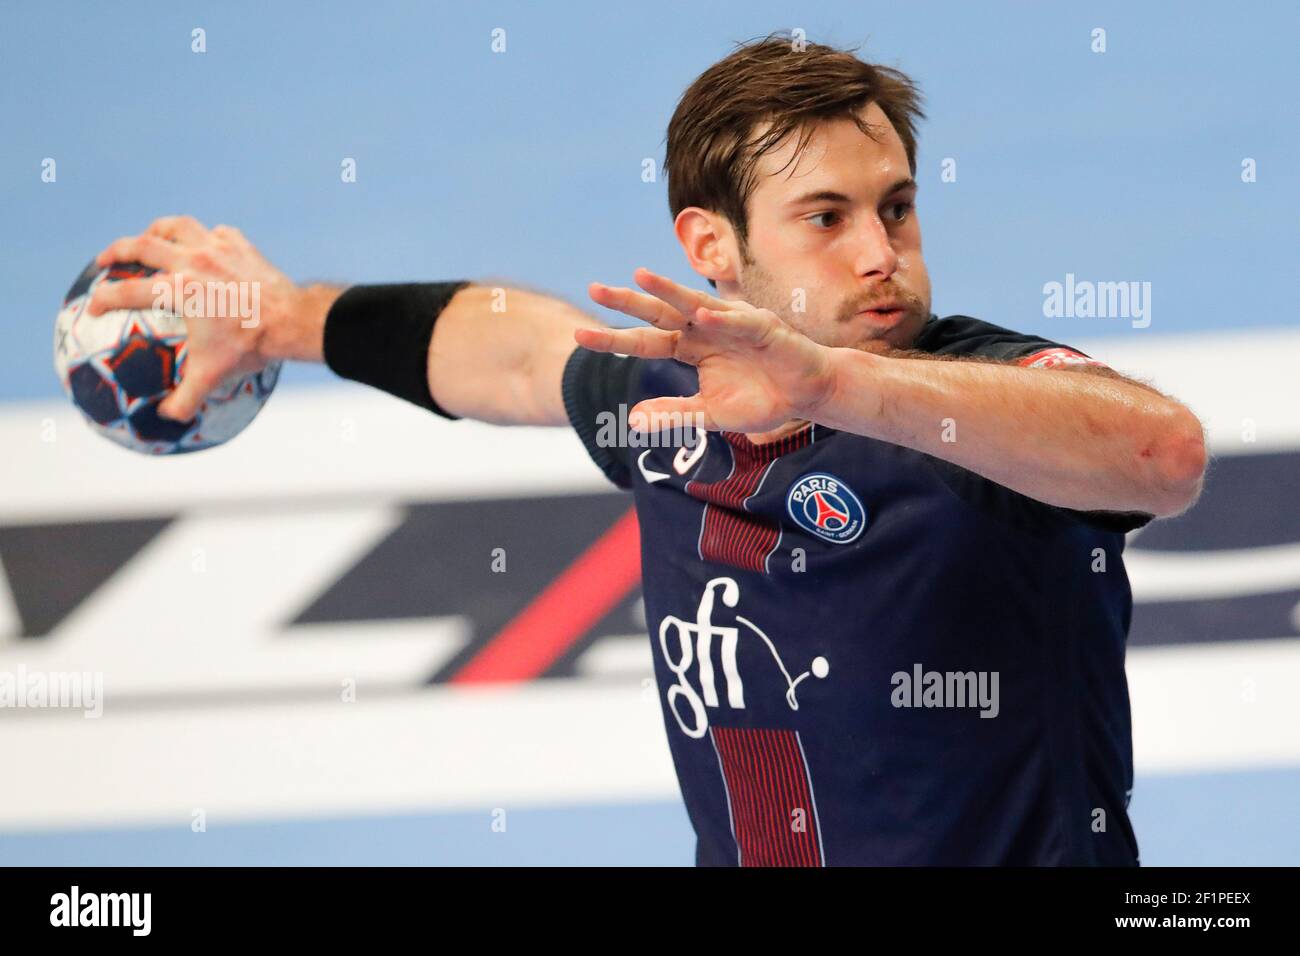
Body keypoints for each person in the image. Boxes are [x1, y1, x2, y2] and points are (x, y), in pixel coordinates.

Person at [84, 34, 1206, 865]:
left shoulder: (972, 406)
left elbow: (1161, 455)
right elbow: (514, 352)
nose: (882, 254)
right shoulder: (677, 396)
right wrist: (290, 319)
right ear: (710, 245)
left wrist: (841, 385)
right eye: (826, 217)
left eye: (897, 207)